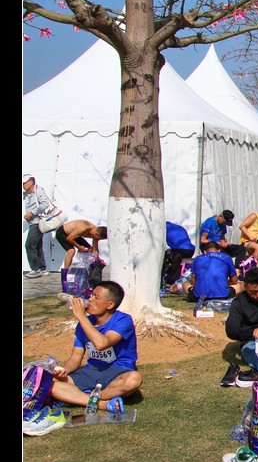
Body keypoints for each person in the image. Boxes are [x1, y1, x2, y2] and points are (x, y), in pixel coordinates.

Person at [25, 281, 142, 436]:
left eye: (96, 297)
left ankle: (77, 397)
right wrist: (62, 370)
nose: (90, 299)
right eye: (91, 295)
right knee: (50, 383)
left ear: (109, 304)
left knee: (134, 379)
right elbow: (75, 359)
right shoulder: (84, 325)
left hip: (118, 372)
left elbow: (102, 344)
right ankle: (102, 404)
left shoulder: (123, 320)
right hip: (91, 371)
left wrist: (81, 316)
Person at [22, 173, 64, 278]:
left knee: (29, 245)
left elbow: (45, 204)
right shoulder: (27, 194)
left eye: (24, 183)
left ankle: (35, 269)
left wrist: (31, 213)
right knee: (37, 245)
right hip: (33, 222)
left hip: (38, 222)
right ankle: (42, 268)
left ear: (31, 182)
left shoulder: (38, 190)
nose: (23, 185)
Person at [163, 221, 196, 287]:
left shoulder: (163, 227)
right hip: (191, 250)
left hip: (179, 249)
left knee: (169, 257)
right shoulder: (177, 227)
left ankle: (168, 281)